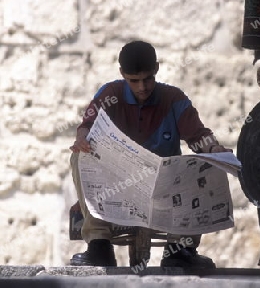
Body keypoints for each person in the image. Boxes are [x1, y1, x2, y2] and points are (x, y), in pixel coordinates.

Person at [69, 40, 231, 268]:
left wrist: (214, 149)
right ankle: (99, 246)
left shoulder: (174, 98)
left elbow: (198, 136)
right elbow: (87, 126)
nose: (142, 87)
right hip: (119, 189)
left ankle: (180, 250)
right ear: (122, 74)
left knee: (202, 164)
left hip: (163, 191)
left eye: (147, 79)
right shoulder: (110, 94)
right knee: (79, 156)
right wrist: (82, 140)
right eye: (133, 81)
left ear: (156, 68)